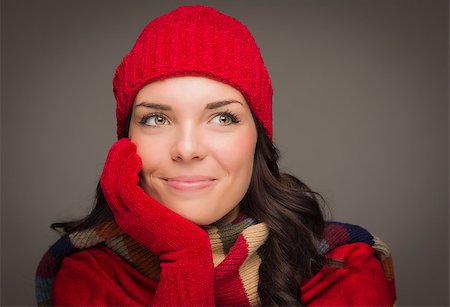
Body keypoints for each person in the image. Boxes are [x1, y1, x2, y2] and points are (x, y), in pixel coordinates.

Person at [35, 5, 396, 306]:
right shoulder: (90, 276)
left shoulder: (343, 269)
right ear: (126, 141)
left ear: (259, 138)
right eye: (156, 119)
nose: (188, 148)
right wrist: (184, 258)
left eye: (223, 118)